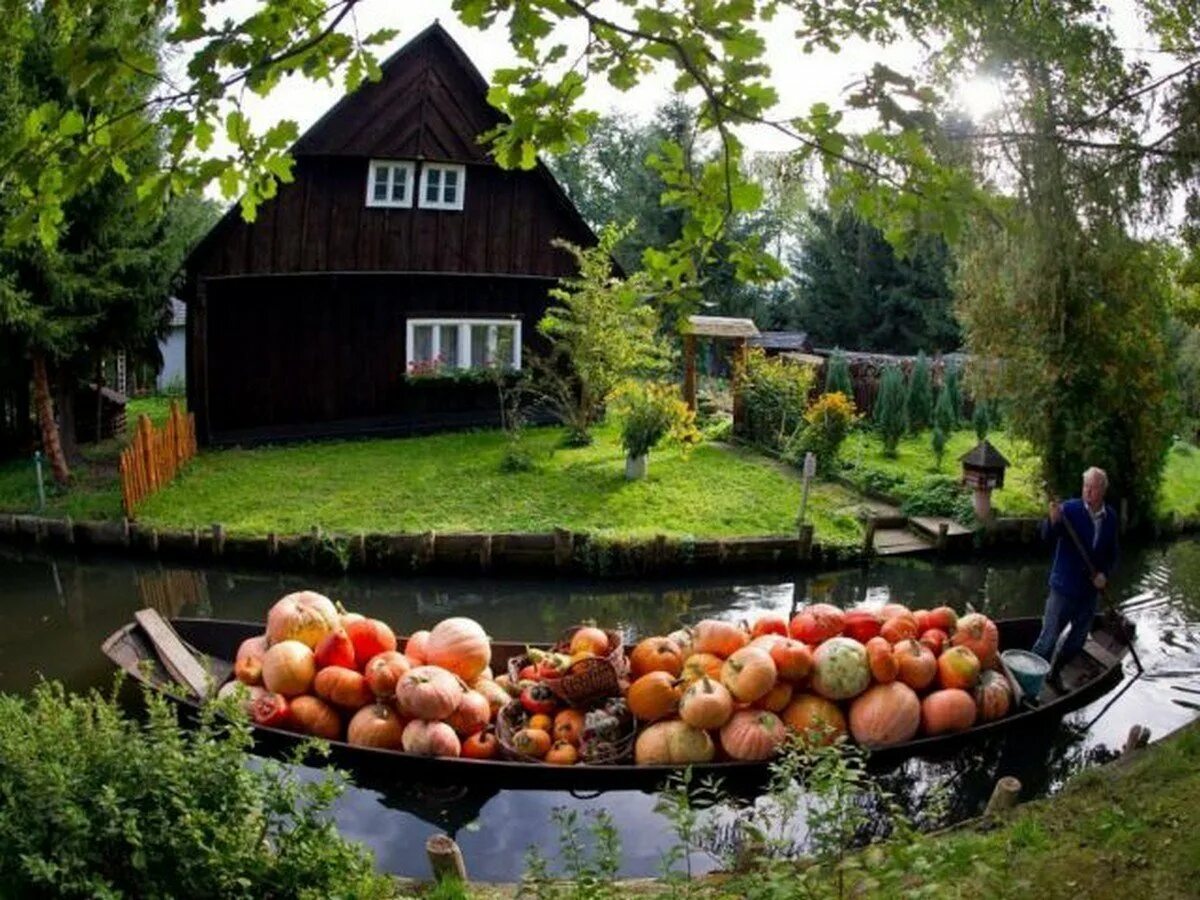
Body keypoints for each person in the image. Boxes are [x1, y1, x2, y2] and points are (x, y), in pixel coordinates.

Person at [1032, 467, 1119, 686]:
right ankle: (1028, 680)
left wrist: (1104, 575)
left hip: (1089, 593)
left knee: (1077, 640)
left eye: (1093, 487)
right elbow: (1047, 537)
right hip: (1063, 587)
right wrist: (1052, 521)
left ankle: (1055, 673)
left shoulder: (1110, 517)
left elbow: (1113, 553)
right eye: (1085, 486)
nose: (1088, 491)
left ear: (1103, 490)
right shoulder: (1069, 510)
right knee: (1048, 638)